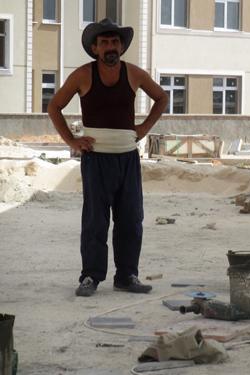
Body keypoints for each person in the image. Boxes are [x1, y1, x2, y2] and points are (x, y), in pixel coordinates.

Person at [48, 19, 168, 297]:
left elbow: (161, 98)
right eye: (104, 43)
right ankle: (90, 276)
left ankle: (127, 275)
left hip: (127, 158)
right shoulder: (83, 75)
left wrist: (144, 129)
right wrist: (71, 140)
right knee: (95, 220)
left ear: (122, 46)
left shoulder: (135, 74)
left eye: (115, 42)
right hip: (96, 160)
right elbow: (54, 106)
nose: (110, 47)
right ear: (95, 48)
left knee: (130, 219)